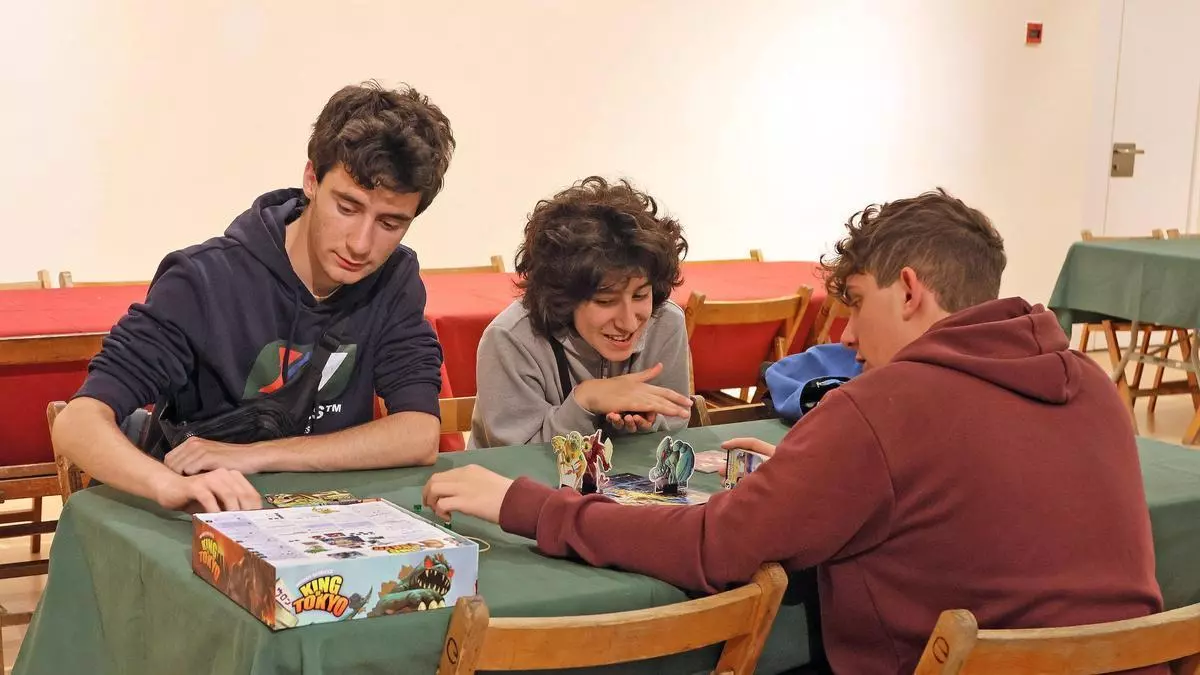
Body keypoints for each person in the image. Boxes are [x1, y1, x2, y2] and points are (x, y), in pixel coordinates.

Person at [424, 188, 1165, 674]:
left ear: (909, 291)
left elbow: (711, 546)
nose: (847, 333)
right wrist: (806, 469)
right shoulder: (1094, 385)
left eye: (857, 302)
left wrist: (527, 505)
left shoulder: (882, 407)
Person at [53, 81, 456, 514]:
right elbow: (78, 422)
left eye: (390, 224)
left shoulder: (394, 280)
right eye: (347, 207)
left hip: (323, 519)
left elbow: (417, 433)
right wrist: (167, 485)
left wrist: (255, 455)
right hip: (200, 517)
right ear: (311, 180)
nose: (360, 244)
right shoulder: (204, 280)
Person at [469, 176, 693, 449]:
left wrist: (646, 424)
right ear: (564, 297)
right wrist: (586, 400)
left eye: (640, 295)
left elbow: (674, 425)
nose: (628, 322)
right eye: (605, 301)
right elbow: (515, 454)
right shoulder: (510, 338)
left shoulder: (666, 321)